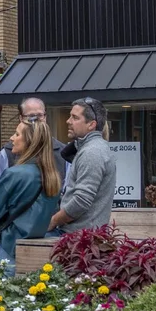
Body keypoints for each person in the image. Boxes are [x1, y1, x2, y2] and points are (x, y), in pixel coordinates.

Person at [0, 119, 62, 269]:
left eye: (17, 134)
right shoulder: (52, 178)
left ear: (29, 141)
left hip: (8, 249)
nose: (12, 138)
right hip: (38, 250)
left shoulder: (14, 174)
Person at [48, 97, 117, 234]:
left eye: (75, 117)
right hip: (81, 235)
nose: (68, 121)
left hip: (78, 238)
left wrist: (54, 221)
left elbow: (81, 201)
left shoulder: (92, 152)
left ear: (91, 125)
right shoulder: (91, 148)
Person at [0, 96, 68, 182]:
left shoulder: (63, 152)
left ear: (45, 117)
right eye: (31, 116)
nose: (36, 120)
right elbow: (1, 186)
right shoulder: (7, 153)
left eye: (40, 115)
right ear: (21, 118)